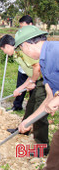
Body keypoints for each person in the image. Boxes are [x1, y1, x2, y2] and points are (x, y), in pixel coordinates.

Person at [0, 34, 50, 156]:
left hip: (46, 80)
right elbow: (32, 72)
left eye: (3, 50)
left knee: (40, 114)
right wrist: (23, 86)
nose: (4, 53)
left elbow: (37, 67)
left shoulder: (23, 52)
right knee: (31, 105)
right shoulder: (17, 55)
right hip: (39, 80)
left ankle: (42, 148)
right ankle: (23, 129)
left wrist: (31, 81)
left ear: (7, 46)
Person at [15, 25, 58, 169]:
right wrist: (28, 121)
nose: (23, 52)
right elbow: (49, 99)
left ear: (26, 45)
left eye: (21, 49)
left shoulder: (56, 51)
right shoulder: (44, 63)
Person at [9, 15, 34, 111]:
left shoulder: (36, 36)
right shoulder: (20, 35)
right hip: (23, 68)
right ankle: (17, 106)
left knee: (33, 89)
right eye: (20, 27)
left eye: (23, 26)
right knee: (20, 87)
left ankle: (31, 108)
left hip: (33, 69)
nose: (21, 29)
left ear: (30, 24)